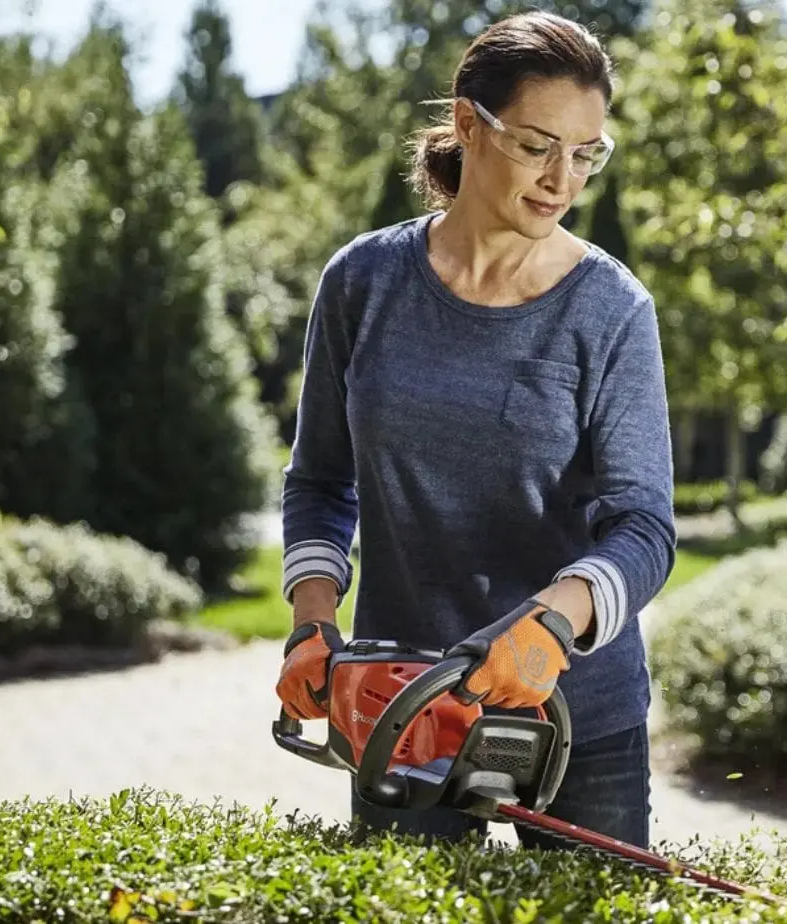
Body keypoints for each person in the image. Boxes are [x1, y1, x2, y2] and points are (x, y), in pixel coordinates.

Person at [272, 11, 676, 852]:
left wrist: (553, 622)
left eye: (586, 153)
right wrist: (313, 619)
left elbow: (644, 526)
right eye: (537, 145)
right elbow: (320, 481)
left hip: (575, 714)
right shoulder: (363, 282)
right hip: (405, 702)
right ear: (468, 123)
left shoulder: (610, 309)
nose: (562, 177)